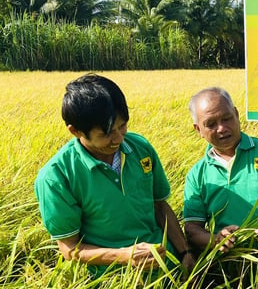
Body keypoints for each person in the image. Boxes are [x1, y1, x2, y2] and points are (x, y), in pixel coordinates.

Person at [34, 73, 194, 278]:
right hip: (112, 282)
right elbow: (70, 249)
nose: (118, 138)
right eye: (106, 133)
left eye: (123, 126)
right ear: (75, 131)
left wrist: (185, 252)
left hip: (167, 269)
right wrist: (124, 256)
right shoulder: (57, 176)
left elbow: (159, 205)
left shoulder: (140, 148)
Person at [183, 87, 258, 254]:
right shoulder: (197, 174)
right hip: (223, 265)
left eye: (227, 118)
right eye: (211, 124)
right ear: (198, 129)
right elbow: (192, 229)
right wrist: (215, 239)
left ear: (236, 114)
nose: (221, 128)